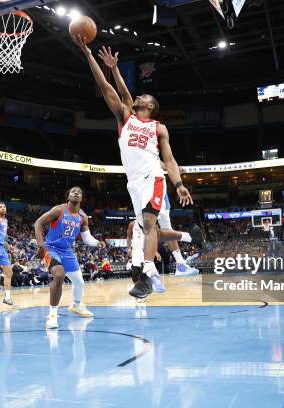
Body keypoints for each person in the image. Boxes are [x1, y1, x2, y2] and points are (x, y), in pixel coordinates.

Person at [73, 38, 197, 299]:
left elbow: (170, 160)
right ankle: (187, 239)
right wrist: (88, 54)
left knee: (150, 224)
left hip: (153, 176)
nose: (138, 96)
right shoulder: (125, 118)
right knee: (149, 229)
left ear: (150, 106)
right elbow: (107, 88)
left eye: (144, 96)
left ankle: (147, 276)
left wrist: (178, 185)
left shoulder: (158, 127)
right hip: (133, 184)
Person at [34, 186, 105, 329]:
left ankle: (76, 305)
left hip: (67, 251)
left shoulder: (82, 217)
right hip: (50, 249)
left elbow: (87, 238)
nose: (76, 193)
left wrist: (98, 243)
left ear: (82, 198)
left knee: (79, 282)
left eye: (79, 192)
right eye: (73, 191)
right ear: (68, 196)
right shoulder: (59, 210)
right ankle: (53, 316)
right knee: (59, 275)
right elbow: (38, 223)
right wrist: (41, 246)